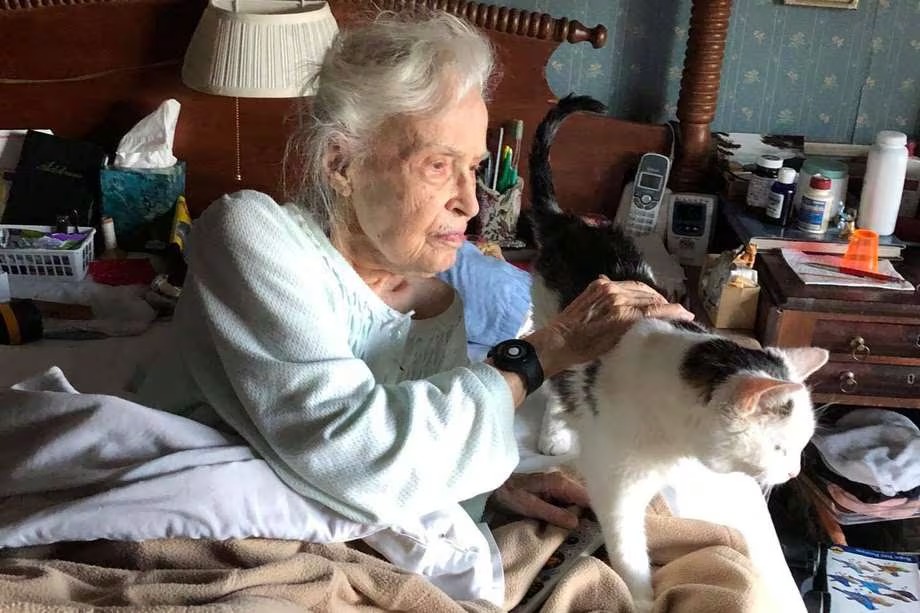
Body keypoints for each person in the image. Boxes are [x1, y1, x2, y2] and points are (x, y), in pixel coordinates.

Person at [137, 9, 691, 592]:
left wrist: (489, 484)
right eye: (437, 164)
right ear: (341, 163)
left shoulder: (433, 303)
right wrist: (542, 352)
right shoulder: (249, 232)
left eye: (474, 168)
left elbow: (413, 458)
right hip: (194, 522)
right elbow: (357, 456)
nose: (471, 204)